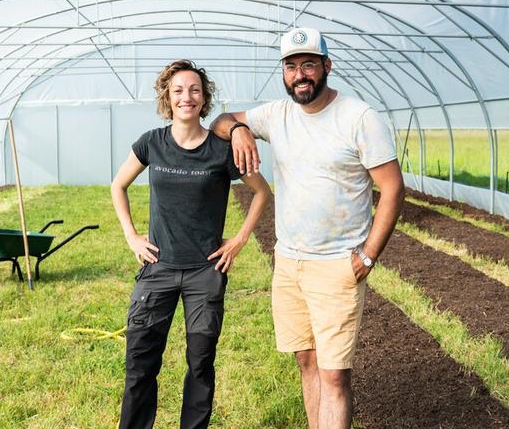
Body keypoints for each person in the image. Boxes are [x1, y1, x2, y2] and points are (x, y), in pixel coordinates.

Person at [210, 28, 404, 429]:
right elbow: (219, 121)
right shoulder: (276, 115)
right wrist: (240, 130)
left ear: (327, 66)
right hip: (290, 261)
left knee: (334, 374)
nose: (300, 74)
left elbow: (392, 188)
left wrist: (368, 255)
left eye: (309, 64)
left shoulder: (358, 117)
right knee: (307, 360)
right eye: (291, 66)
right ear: (284, 72)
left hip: (337, 264)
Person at [111, 59, 271, 429]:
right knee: (140, 365)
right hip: (158, 270)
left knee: (200, 364)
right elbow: (117, 185)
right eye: (179, 90)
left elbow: (262, 193)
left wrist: (240, 239)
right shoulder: (152, 142)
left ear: (204, 97)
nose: (187, 97)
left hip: (205, 273)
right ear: (167, 96)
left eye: (195, 90)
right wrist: (131, 236)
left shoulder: (221, 149)